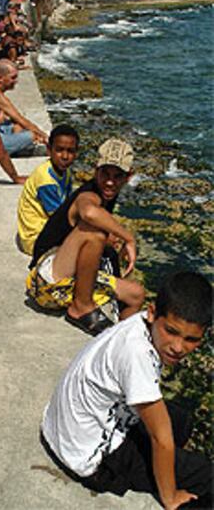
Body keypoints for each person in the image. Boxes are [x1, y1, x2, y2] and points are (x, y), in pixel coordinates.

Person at [41, 271, 213, 510]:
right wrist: (171, 496)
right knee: (206, 475)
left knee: (182, 421)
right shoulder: (137, 355)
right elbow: (160, 438)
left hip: (65, 429)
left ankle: (169, 468)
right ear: (153, 313)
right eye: (172, 331)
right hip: (92, 457)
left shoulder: (139, 324)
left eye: (191, 339)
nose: (178, 347)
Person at [27, 138, 145, 335]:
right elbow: (89, 212)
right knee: (95, 232)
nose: (110, 181)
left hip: (67, 277)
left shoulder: (107, 194)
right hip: (45, 279)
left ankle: (119, 340)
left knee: (136, 295)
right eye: (105, 173)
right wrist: (128, 238)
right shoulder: (89, 194)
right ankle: (81, 307)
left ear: (128, 177)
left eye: (118, 176)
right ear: (95, 170)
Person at [17, 124, 79, 256]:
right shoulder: (46, 180)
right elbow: (60, 217)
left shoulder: (64, 171)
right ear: (49, 150)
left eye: (70, 151)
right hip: (35, 239)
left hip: (44, 227)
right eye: (59, 150)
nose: (65, 156)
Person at [0, 59, 48, 160]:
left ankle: (14, 148)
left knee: (17, 127)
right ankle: (15, 150)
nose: (16, 81)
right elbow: (21, 119)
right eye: (13, 77)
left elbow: (17, 121)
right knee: (31, 136)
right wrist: (46, 137)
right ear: (0, 78)